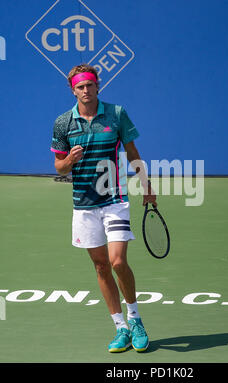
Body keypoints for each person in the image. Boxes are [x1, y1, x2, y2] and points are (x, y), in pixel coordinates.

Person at [50, 63, 156, 353]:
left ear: (98, 86)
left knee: (117, 262)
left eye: (90, 85)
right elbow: (58, 167)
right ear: (73, 90)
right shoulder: (63, 123)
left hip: (114, 201)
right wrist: (68, 160)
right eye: (80, 87)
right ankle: (120, 327)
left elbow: (133, 153)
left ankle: (135, 319)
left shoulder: (117, 114)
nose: (86, 91)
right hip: (83, 205)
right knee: (100, 266)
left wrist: (146, 187)